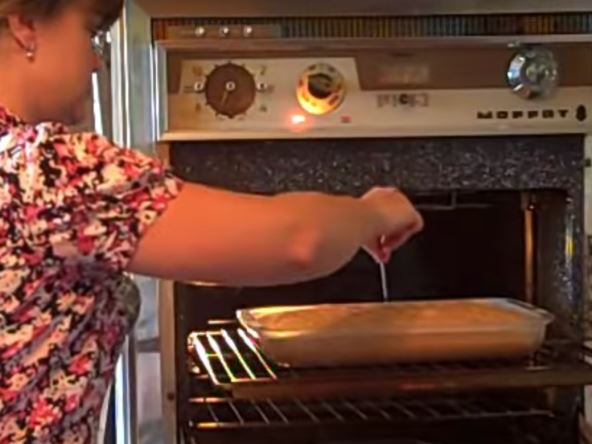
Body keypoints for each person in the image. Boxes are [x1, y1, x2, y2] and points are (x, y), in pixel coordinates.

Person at [0, 0, 424, 441]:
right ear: (26, 25)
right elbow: (299, 242)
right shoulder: (45, 170)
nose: (95, 61)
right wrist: (375, 212)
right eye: (90, 34)